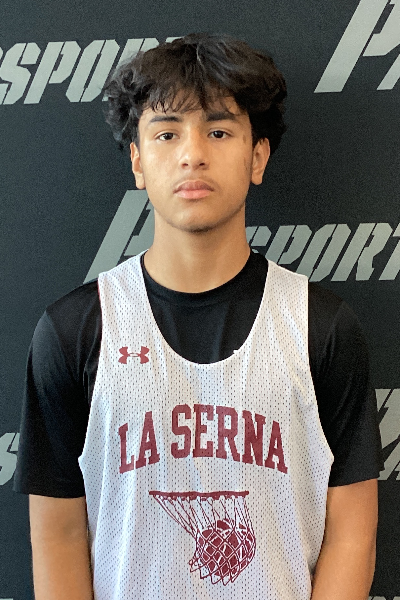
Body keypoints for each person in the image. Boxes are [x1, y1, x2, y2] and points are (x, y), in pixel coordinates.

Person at [13, 32, 383, 600]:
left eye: (218, 130)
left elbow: (352, 532)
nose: (192, 154)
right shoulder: (75, 330)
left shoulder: (321, 325)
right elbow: (58, 536)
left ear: (257, 156)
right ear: (138, 160)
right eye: (167, 133)